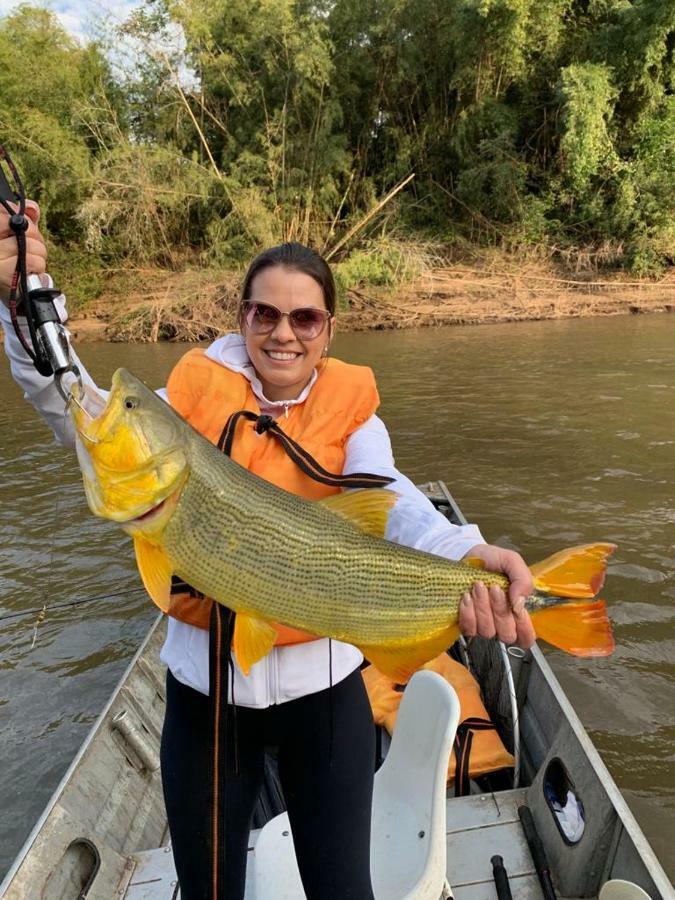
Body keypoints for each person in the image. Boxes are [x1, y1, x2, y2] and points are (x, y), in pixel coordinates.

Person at [0, 201, 536, 900]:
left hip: (326, 702)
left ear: (327, 329)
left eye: (304, 318)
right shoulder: (184, 403)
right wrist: (24, 303)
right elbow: (73, 405)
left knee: (344, 891)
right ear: (242, 317)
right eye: (263, 314)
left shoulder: (355, 417)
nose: (282, 333)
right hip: (207, 704)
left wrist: (467, 550)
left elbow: (394, 501)